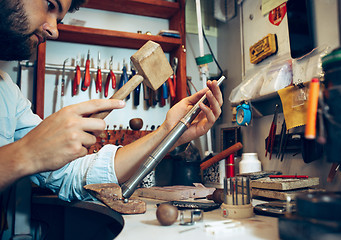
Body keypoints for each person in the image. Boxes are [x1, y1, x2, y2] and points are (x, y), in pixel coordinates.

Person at [0, 0, 223, 201]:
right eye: (50, 5)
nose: (54, 30)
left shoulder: (8, 92)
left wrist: (168, 132)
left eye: (59, 19)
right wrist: (26, 152)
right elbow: (30, 154)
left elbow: (71, 175)